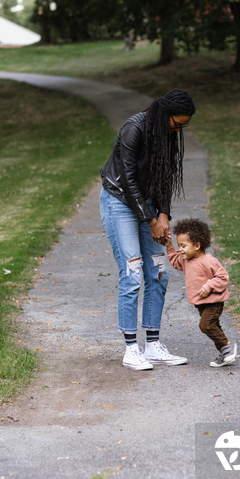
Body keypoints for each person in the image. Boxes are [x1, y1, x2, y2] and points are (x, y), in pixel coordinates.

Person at [99, 89, 196, 370]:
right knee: (132, 273)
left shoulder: (166, 133)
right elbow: (128, 180)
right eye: (177, 124)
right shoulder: (134, 129)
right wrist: (151, 221)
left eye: (183, 126)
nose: (179, 130)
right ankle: (131, 349)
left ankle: (152, 345)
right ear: (165, 115)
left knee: (158, 271)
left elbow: (164, 176)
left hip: (148, 204)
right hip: (119, 201)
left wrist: (164, 214)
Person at [166, 218, 237, 368]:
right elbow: (175, 261)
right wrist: (168, 246)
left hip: (214, 301)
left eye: (183, 246)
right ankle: (225, 353)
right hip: (201, 303)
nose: (180, 249)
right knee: (214, 326)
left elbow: (223, 277)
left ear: (197, 245)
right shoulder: (186, 259)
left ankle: (227, 347)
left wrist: (209, 286)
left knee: (205, 325)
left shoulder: (209, 261)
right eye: (179, 245)